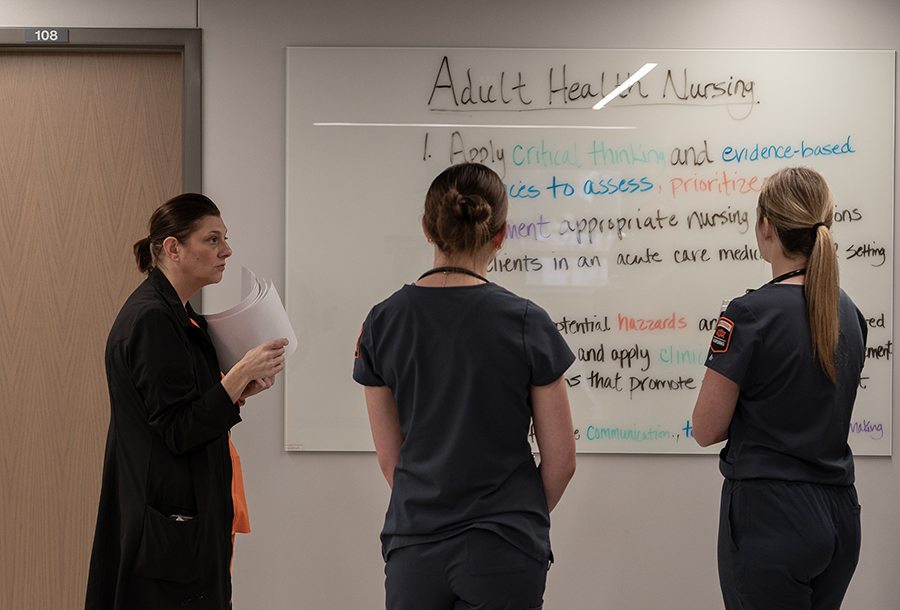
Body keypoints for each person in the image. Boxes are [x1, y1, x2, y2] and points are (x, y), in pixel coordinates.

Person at [353, 163, 577, 610]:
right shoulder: (526, 322)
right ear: (501, 235)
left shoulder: (382, 322)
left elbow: (390, 459)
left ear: (426, 228)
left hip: (415, 547)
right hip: (504, 546)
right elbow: (561, 462)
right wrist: (511, 517)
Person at [85, 193, 288, 610]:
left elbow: (181, 408)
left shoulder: (179, 315)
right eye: (212, 240)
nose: (226, 250)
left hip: (180, 518)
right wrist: (238, 375)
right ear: (173, 248)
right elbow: (178, 430)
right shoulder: (153, 319)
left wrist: (235, 393)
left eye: (225, 239)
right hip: (167, 524)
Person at [692, 167, 867, 610]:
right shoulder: (849, 313)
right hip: (840, 515)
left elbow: (706, 429)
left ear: (766, 226)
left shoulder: (749, 314)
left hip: (771, 517)